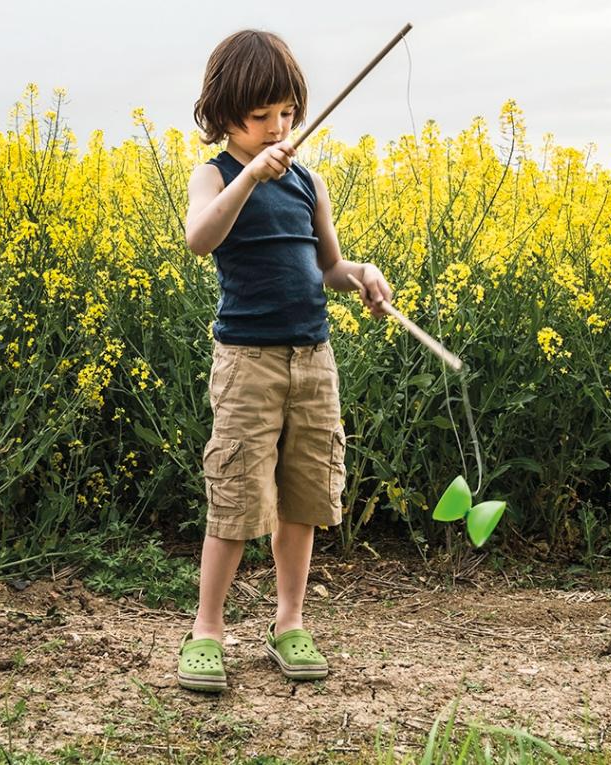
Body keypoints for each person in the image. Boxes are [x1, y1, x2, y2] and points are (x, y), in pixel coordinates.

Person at [176, 29, 393, 693]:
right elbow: (198, 238)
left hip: (312, 359)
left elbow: (327, 265)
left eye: (287, 114)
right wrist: (246, 176)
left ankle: (289, 621)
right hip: (247, 363)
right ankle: (206, 628)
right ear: (225, 117)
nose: (278, 128)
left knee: (302, 495)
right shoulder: (215, 175)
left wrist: (364, 276)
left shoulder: (308, 182)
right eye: (261, 117)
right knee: (238, 497)